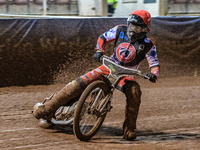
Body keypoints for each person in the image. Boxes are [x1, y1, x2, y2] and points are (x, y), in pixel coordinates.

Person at [33, 9, 160, 140]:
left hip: (125, 75)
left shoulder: (148, 45)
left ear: (145, 29)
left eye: (137, 27)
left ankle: (129, 129)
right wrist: (99, 50)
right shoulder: (120, 30)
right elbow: (103, 37)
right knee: (78, 84)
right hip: (108, 66)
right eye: (132, 26)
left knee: (134, 92)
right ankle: (46, 109)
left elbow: (154, 63)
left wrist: (153, 74)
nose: (133, 29)